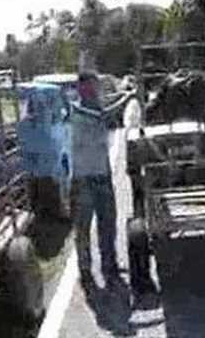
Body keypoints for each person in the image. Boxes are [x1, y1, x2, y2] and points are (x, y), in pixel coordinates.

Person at [70, 71, 121, 290]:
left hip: (102, 173)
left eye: (96, 87)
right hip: (83, 179)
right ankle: (85, 270)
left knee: (108, 224)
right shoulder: (76, 109)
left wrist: (124, 94)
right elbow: (103, 117)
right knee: (83, 228)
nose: (95, 91)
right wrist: (127, 97)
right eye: (90, 87)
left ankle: (109, 266)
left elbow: (106, 110)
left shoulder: (96, 105)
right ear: (81, 88)